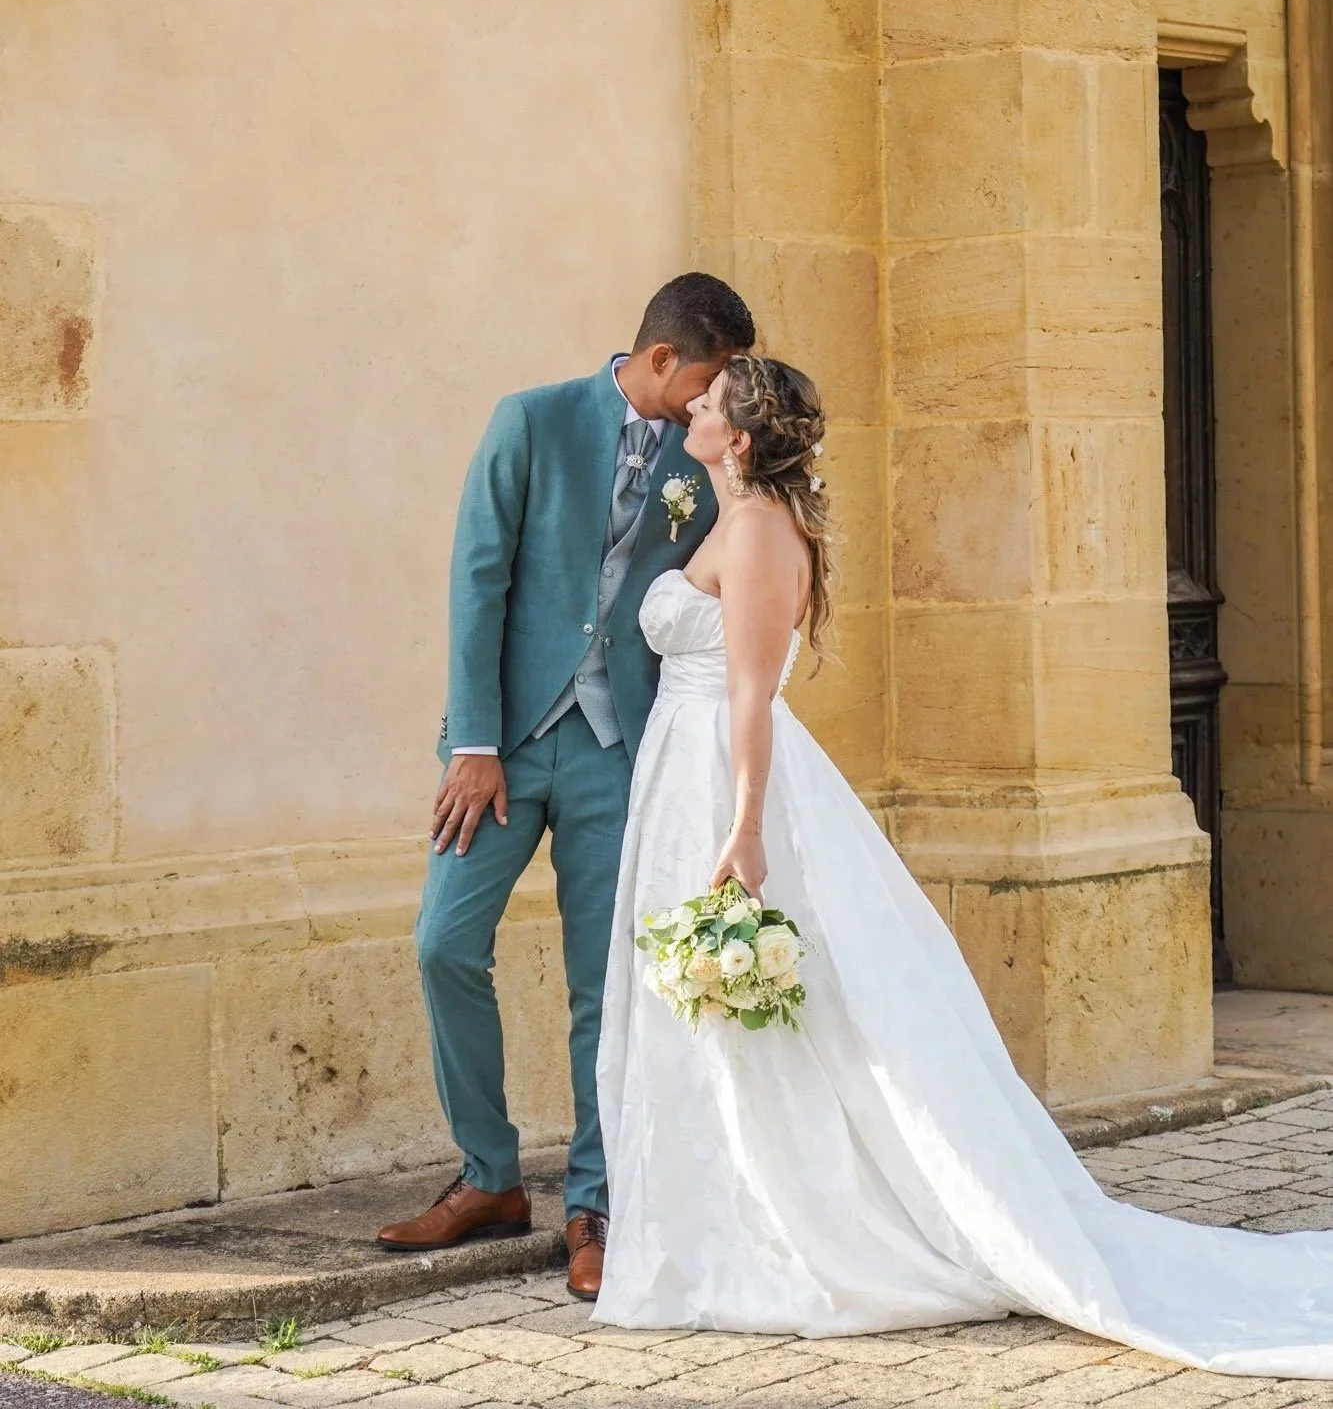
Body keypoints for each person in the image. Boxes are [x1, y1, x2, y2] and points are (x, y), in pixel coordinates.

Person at [594, 352, 1333, 1375]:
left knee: (779, 1012)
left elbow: (751, 695)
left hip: (725, 780)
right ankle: (712, 1217)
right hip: (687, 773)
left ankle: (786, 1232)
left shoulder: (759, 530)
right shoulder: (736, 515)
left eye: (712, 403)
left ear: (744, 437)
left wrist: (747, 825)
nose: (695, 407)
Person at [377, 273, 755, 1300]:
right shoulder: (532, 420)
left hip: (614, 753)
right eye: (709, 379)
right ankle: (490, 1175)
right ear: (667, 358)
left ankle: (594, 1201)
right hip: (500, 749)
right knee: (443, 941)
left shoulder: (702, 454)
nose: (711, 401)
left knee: (605, 982)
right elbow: (477, 579)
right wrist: (473, 740)